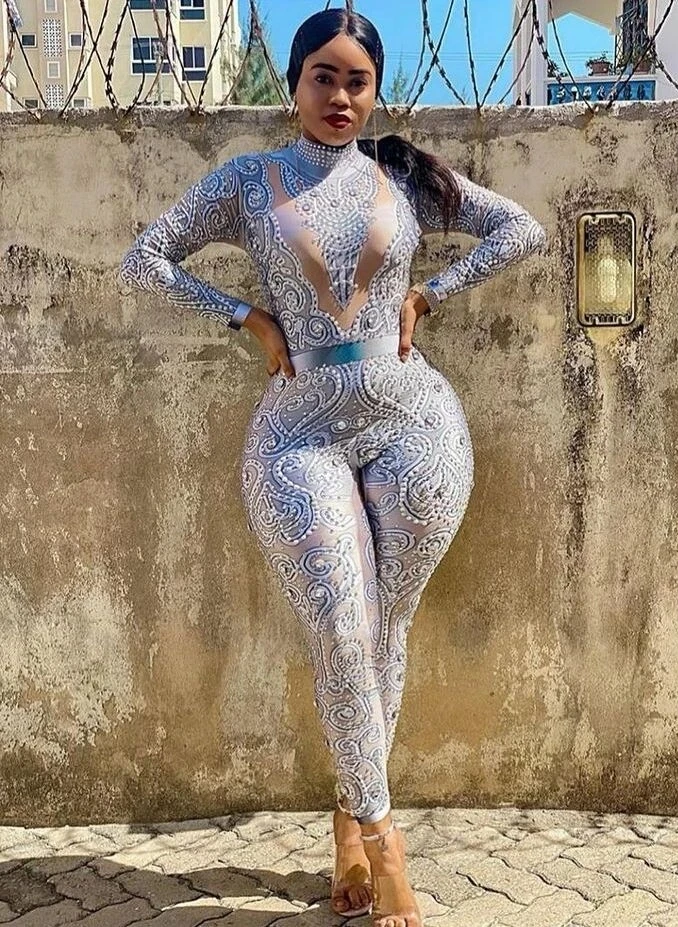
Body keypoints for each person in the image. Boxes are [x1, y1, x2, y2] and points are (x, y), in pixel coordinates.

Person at [119, 8, 547, 926]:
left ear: (376, 90)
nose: (341, 96)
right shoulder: (247, 182)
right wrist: (245, 316)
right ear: (294, 84)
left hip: (414, 422)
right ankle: (387, 846)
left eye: (358, 80)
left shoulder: (403, 178)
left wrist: (432, 292)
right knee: (343, 631)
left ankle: (349, 826)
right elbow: (143, 258)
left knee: (385, 630)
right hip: (299, 433)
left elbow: (521, 229)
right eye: (324, 76)